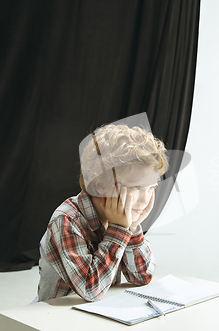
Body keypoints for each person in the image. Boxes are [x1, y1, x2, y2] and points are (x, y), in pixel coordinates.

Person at [37, 123, 169, 302]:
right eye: (136, 187)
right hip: (54, 317)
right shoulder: (66, 220)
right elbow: (90, 290)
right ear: (100, 185)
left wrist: (132, 227)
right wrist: (120, 231)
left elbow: (142, 277)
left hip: (100, 312)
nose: (145, 199)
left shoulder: (121, 218)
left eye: (151, 187)